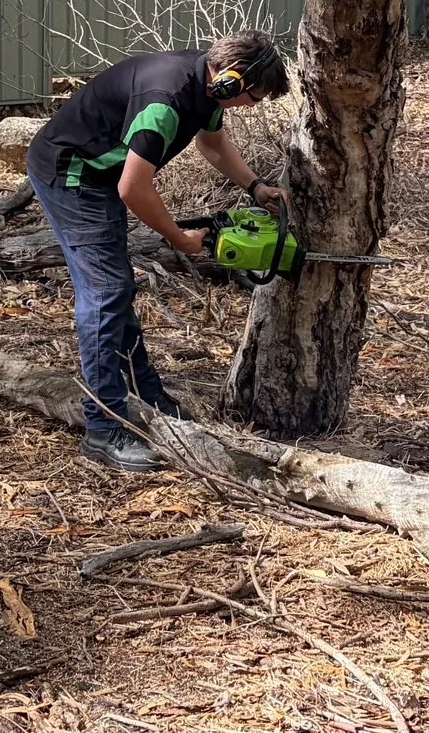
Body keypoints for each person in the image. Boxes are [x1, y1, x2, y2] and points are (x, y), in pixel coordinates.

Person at [26, 29, 292, 471]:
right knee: (106, 292)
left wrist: (255, 186)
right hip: (73, 173)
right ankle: (103, 426)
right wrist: (178, 238)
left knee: (116, 287)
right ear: (232, 79)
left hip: (99, 173)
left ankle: (142, 390)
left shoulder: (205, 85)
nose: (253, 106)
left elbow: (213, 143)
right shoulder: (164, 103)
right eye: (256, 96)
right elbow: (133, 188)